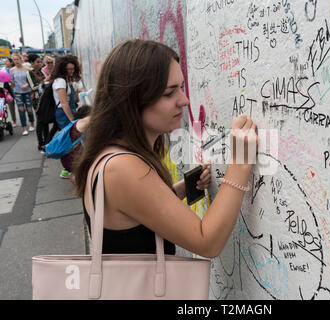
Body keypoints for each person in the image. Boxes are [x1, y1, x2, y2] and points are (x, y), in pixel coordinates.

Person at [74, 40, 258, 258]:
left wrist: (182, 189)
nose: (185, 100)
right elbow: (208, 242)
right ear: (132, 99)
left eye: (181, 88)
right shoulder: (123, 168)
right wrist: (240, 162)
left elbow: (136, 215)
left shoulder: (111, 155)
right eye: (169, 93)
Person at [60, 105, 91, 180]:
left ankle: (68, 172)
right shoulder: (83, 125)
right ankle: (78, 175)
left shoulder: (73, 125)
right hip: (74, 161)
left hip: (65, 160)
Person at [50, 55, 81, 131]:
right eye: (69, 69)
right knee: (69, 137)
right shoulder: (60, 81)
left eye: (73, 69)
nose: (72, 71)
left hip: (69, 110)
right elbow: (64, 103)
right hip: (64, 113)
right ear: (63, 69)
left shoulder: (66, 79)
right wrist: (72, 119)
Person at [26, 54, 48, 152]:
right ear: (31, 63)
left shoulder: (40, 72)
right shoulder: (29, 73)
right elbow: (34, 87)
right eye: (37, 62)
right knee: (40, 122)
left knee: (46, 121)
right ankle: (41, 144)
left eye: (40, 61)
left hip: (45, 99)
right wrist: (45, 81)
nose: (40, 64)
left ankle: (47, 142)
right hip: (36, 100)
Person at [10, 53, 35, 136]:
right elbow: (13, 82)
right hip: (17, 92)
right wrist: (10, 81)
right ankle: (24, 128)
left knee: (29, 109)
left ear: (21, 59)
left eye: (17, 59)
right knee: (21, 109)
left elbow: (31, 80)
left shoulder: (27, 69)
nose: (16, 61)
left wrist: (27, 85)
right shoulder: (12, 70)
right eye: (14, 60)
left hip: (27, 91)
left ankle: (32, 124)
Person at [2, 58, 17, 126]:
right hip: (7, 87)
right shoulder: (3, 69)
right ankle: (14, 121)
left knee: (20, 104)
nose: (6, 62)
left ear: (11, 62)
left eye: (7, 61)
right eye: (5, 61)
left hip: (15, 87)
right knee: (11, 105)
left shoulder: (15, 69)